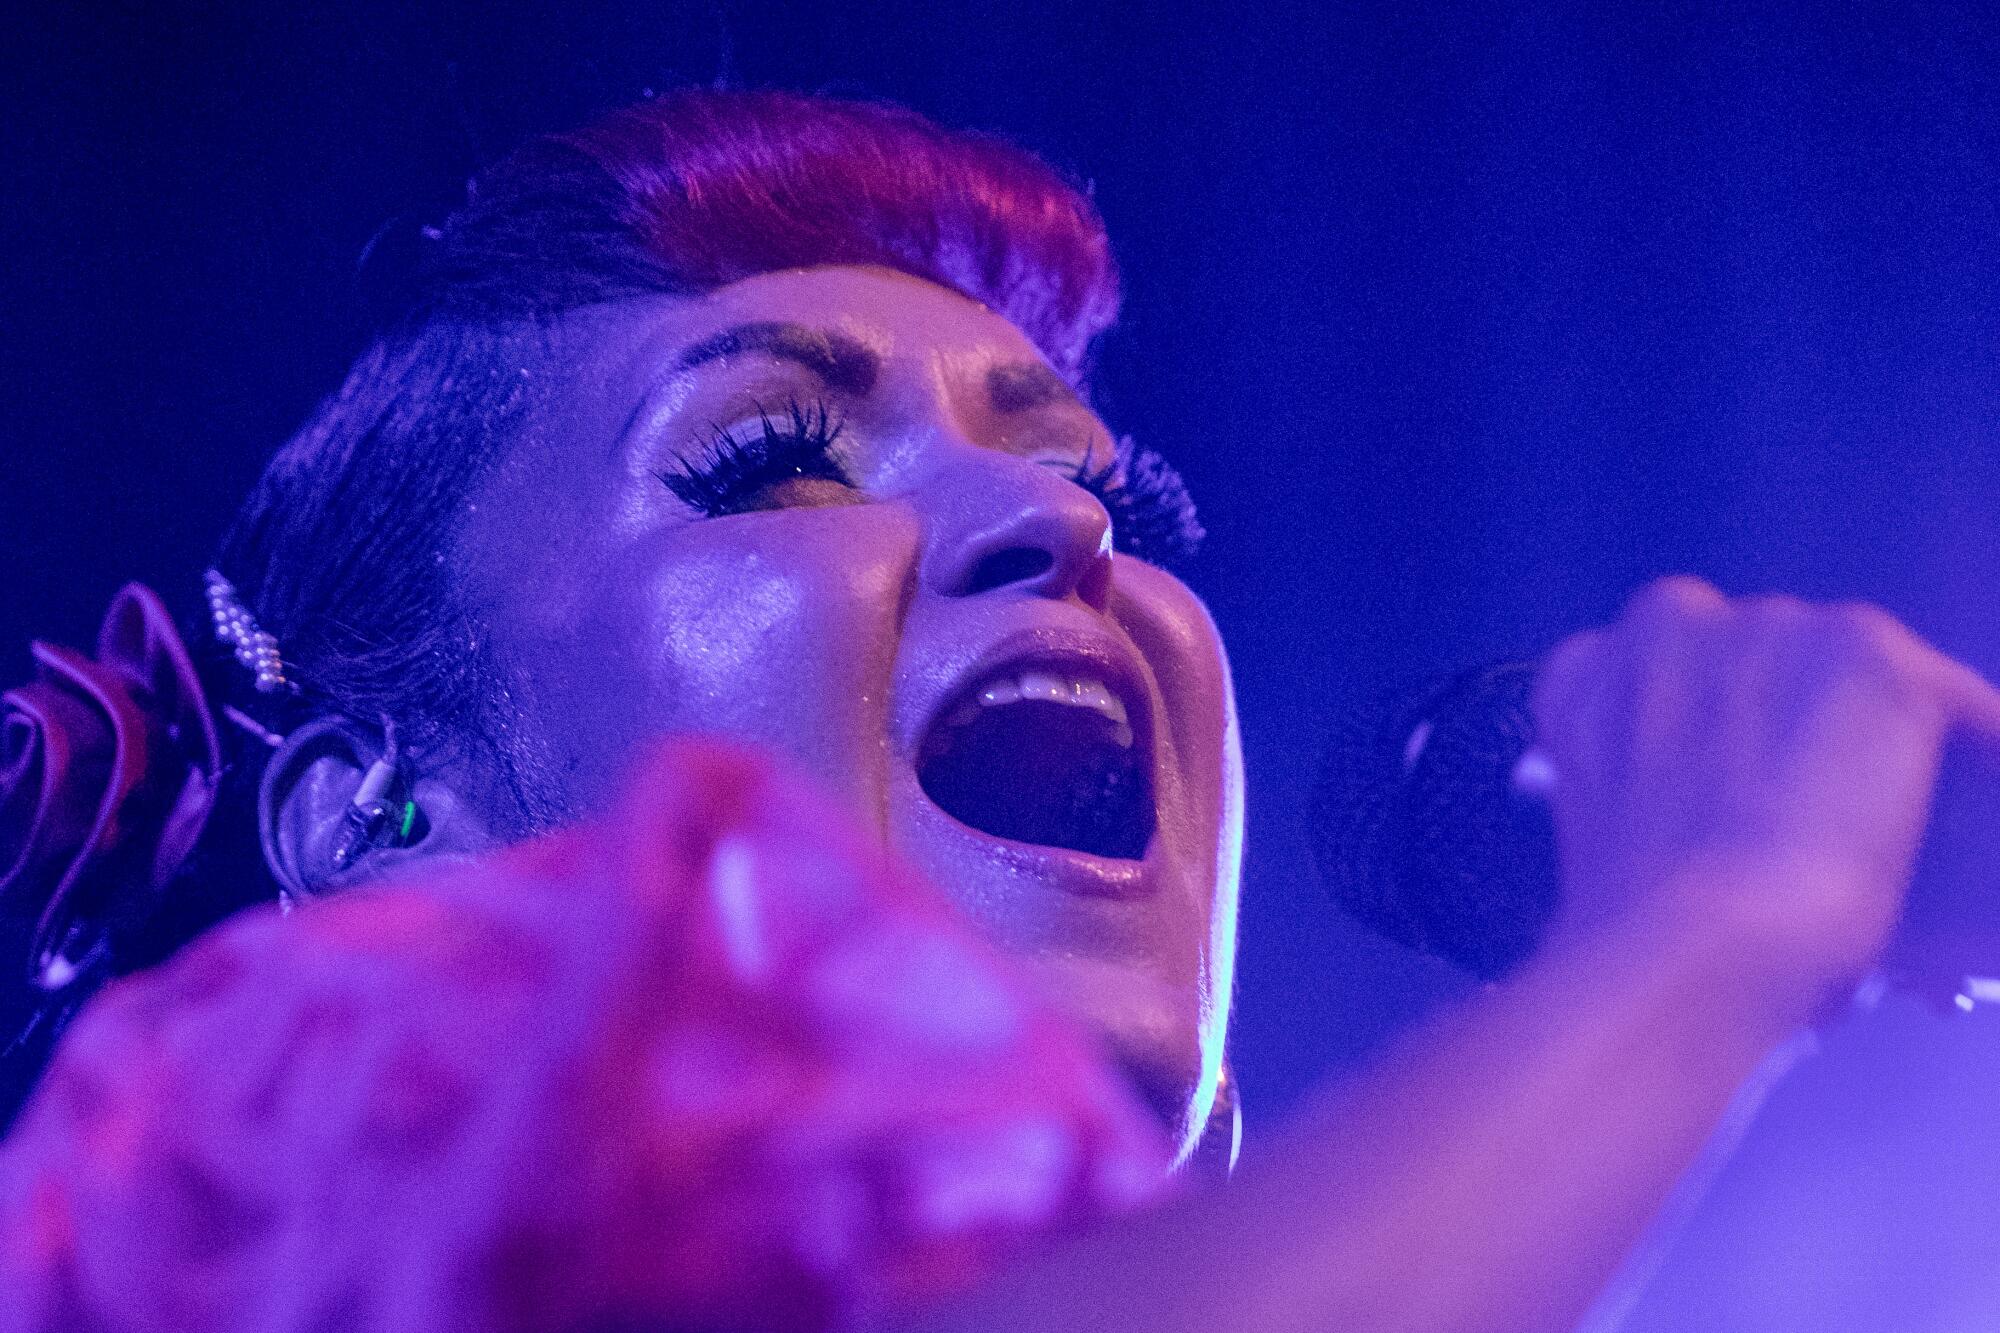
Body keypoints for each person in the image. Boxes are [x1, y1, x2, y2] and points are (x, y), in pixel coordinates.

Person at [2, 87, 1997, 1333]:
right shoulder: (270, 1115)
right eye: (772, 456)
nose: (1056, 515)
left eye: (1107, 490)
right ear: (373, 813)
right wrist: (1709, 926)